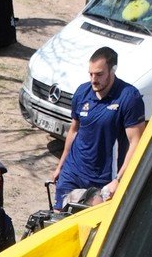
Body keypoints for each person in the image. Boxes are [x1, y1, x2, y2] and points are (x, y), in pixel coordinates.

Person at [51, 47, 146, 210]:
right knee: (57, 217)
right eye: (91, 74)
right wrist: (61, 166)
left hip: (103, 179)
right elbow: (74, 130)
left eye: (99, 74)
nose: (94, 79)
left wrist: (119, 179)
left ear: (112, 70)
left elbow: (136, 142)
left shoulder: (129, 97)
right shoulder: (82, 92)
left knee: (90, 228)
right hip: (73, 170)